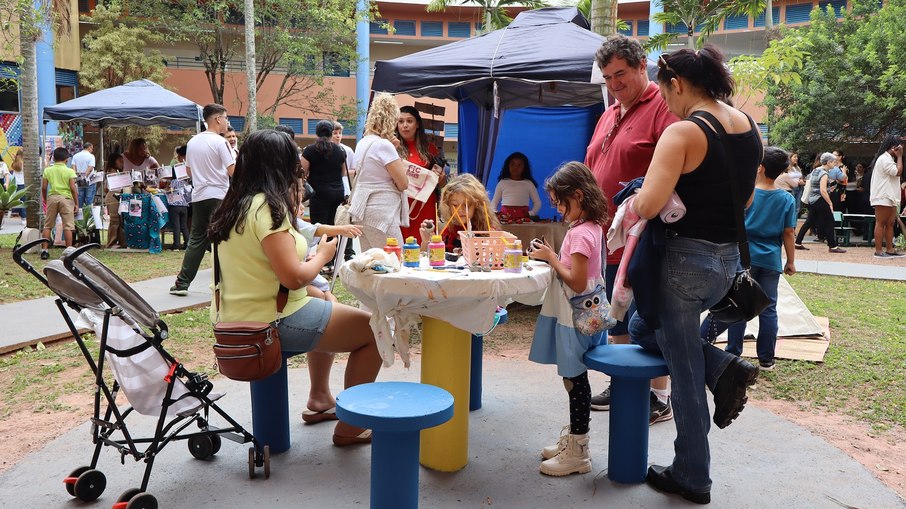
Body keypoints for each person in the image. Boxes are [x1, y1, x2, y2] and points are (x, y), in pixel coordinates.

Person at [628, 46, 762, 505]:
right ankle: (722, 365)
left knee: (683, 375)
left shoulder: (682, 131)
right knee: (643, 326)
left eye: (664, 91)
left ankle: (692, 474)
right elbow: (743, 201)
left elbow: (647, 206)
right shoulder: (749, 127)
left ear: (678, 84)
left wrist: (637, 198)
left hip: (683, 263)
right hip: (728, 264)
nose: (664, 101)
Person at [207, 129, 381, 445]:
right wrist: (323, 256)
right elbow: (294, 278)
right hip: (270, 323)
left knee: (325, 300)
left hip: (234, 317)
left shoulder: (233, 205)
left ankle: (320, 399)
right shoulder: (268, 209)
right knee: (373, 331)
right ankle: (351, 427)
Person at [583, 34, 678, 422]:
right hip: (608, 236)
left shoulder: (662, 107)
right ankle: (623, 381)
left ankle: (659, 396)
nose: (614, 84)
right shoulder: (610, 112)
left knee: (647, 319)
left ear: (643, 66)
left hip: (645, 237)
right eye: (607, 77)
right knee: (616, 315)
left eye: (620, 74)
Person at [526, 162, 608, 477]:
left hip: (576, 317)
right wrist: (553, 254)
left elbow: (575, 281)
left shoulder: (583, 233)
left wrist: (550, 259)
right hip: (582, 314)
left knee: (575, 380)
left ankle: (578, 452)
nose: (559, 209)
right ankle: (575, 440)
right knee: (574, 380)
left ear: (578, 195)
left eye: (561, 203)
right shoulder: (588, 228)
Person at [700, 147, 798, 371]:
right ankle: (766, 359)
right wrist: (790, 261)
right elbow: (789, 233)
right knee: (769, 307)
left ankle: (733, 352)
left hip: (744, 257)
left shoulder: (747, 193)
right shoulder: (786, 199)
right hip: (771, 259)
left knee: (740, 303)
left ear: (760, 168)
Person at [169, 104, 236, 296]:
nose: (226, 122)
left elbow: (188, 171)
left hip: (199, 196)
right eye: (225, 118)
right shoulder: (220, 142)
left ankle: (182, 283)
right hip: (219, 196)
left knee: (197, 239)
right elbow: (232, 170)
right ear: (217, 119)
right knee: (225, 238)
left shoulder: (193, 142)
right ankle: (229, 283)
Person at [349, 93, 409, 251]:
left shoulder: (363, 143)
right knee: (395, 260)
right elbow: (403, 183)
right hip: (382, 215)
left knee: (372, 264)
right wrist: (396, 154)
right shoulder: (384, 145)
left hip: (361, 212)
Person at [301, 120, 349, 269]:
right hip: (337, 193)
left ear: (317, 133)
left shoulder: (309, 150)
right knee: (334, 226)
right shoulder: (340, 151)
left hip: (318, 194)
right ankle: (332, 262)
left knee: (320, 228)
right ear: (331, 132)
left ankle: (323, 262)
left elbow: (302, 171)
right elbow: (343, 172)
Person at [396, 105, 447, 241]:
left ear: (417, 124)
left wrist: (441, 180)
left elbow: (441, 183)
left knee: (425, 242)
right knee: (401, 244)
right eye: (400, 121)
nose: (405, 125)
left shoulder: (430, 149)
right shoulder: (392, 148)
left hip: (425, 203)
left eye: (409, 121)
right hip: (400, 204)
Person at [418, 173, 500, 252]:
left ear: (477, 205)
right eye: (455, 205)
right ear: (448, 205)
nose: (460, 210)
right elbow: (428, 260)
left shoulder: (488, 231)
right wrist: (426, 242)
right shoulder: (448, 232)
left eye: (466, 205)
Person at [794, 152, 847, 254]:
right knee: (830, 222)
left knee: (809, 221)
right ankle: (833, 246)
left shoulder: (815, 170)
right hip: (820, 200)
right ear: (828, 162)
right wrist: (830, 202)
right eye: (833, 162)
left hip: (812, 199)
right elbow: (823, 190)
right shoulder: (824, 173)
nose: (834, 164)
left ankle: (798, 242)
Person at [868, 135, 905, 258]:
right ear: (894, 147)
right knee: (881, 223)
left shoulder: (887, 158)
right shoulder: (885, 159)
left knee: (890, 223)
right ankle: (878, 251)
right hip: (883, 195)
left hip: (890, 196)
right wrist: (900, 157)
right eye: (900, 146)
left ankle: (890, 249)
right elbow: (898, 171)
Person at [40, 147, 78, 259]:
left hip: (52, 197)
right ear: (66, 159)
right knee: (68, 226)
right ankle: (68, 252)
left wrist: (45, 199)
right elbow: (73, 188)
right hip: (66, 199)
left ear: (53, 158)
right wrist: (76, 203)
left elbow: (44, 187)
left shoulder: (47, 170)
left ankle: (45, 250)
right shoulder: (70, 171)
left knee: (48, 225)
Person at [490, 152, 542, 221]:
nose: (515, 167)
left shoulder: (529, 184)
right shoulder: (502, 183)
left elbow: (537, 202)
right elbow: (494, 202)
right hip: (505, 219)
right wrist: (495, 213)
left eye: (519, 165)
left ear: (524, 168)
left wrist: (531, 213)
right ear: (508, 166)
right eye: (512, 164)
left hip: (523, 220)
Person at [332, 121, 358, 262]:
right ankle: (332, 255)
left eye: (339, 133)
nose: (337, 136)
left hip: (345, 189)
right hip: (332, 189)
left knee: (346, 219)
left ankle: (349, 252)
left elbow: (354, 169)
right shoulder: (325, 149)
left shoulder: (346, 150)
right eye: (334, 133)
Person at [161, 145, 190, 250]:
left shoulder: (173, 182)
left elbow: (169, 191)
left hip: (174, 206)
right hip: (184, 206)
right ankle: (188, 244)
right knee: (184, 226)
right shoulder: (185, 181)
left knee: (176, 226)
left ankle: (176, 245)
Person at [104, 153, 127, 249]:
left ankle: (122, 242)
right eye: (120, 161)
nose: (122, 164)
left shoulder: (118, 172)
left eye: (123, 162)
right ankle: (111, 243)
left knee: (120, 220)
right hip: (113, 196)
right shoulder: (111, 172)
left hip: (118, 196)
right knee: (114, 221)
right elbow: (107, 188)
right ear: (114, 162)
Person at [70, 142, 96, 208]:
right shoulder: (91, 156)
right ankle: (88, 215)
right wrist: (85, 176)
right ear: (89, 147)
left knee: (80, 197)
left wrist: (77, 177)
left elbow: (73, 168)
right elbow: (91, 167)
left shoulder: (75, 156)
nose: (92, 150)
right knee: (89, 198)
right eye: (92, 148)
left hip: (79, 181)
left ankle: (80, 215)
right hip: (90, 180)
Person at [11, 151, 26, 220]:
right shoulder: (24, 164)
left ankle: (21, 215)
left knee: (20, 200)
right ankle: (23, 217)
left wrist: (14, 159)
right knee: (24, 201)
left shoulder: (14, 164)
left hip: (16, 184)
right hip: (23, 183)